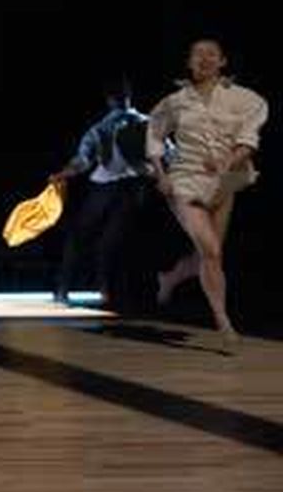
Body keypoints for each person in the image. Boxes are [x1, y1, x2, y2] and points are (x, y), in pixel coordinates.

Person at [145, 37, 268, 350]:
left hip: (224, 181)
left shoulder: (245, 99)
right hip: (185, 180)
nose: (204, 58)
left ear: (222, 61)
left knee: (210, 254)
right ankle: (223, 321)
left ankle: (170, 278)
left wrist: (226, 161)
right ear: (189, 63)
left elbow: (248, 140)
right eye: (197, 54)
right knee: (211, 250)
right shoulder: (175, 101)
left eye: (211, 53)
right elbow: (154, 135)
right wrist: (161, 176)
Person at [48, 78, 152, 308]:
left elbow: (83, 160)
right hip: (134, 189)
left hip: (105, 187)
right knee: (113, 240)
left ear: (109, 100)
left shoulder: (101, 127)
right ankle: (108, 291)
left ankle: (64, 290)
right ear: (129, 97)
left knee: (80, 237)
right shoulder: (149, 123)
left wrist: (63, 173)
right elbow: (170, 156)